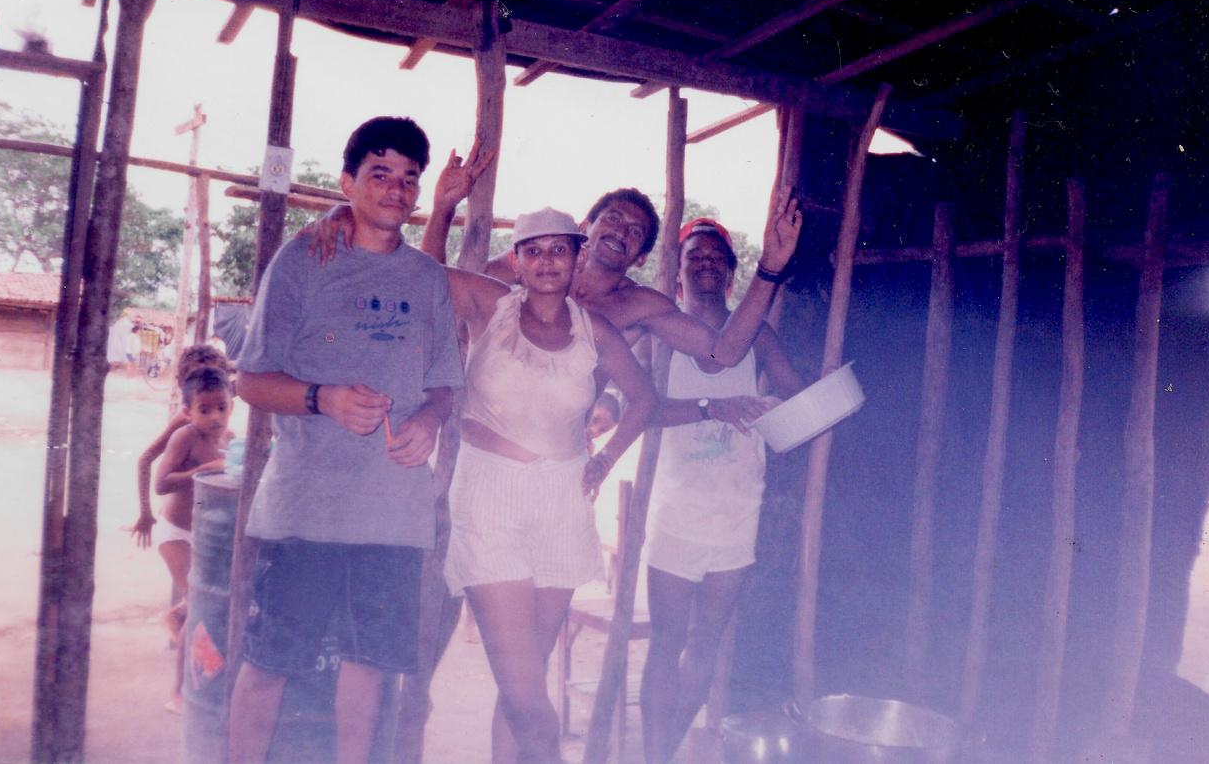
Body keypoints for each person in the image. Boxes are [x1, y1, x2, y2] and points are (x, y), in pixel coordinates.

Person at [226, 116, 465, 764]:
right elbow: (249, 380)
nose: (396, 189)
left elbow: (445, 384)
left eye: (408, 178)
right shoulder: (304, 258)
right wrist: (322, 398)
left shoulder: (427, 278)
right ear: (347, 183)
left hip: (394, 514)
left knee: (369, 668)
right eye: (379, 173)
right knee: (268, 664)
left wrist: (429, 420)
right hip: (306, 509)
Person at [440, 206, 657, 764]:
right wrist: (440, 209)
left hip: (562, 504)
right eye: (532, 250)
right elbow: (419, 272)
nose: (546, 261)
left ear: (577, 258)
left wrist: (604, 461)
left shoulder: (595, 331)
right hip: (489, 501)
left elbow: (644, 398)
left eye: (559, 249)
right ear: (515, 261)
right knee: (525, 693)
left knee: (526, 679)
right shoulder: (490, 304)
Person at [310, 168, 803, 367]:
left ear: (641, 257)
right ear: (586, 227)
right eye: (613, 218)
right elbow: (431, 290)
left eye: (636, 232)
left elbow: (722, 354)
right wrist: (440, 209)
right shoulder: (524, 268)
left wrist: (770, 267)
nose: (622, 230)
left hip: (564, 461)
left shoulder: (639, 306)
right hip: (481, 443)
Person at [639, 218, 804, 764]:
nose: (706, 262)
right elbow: (643, 410)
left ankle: (659, 754)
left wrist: (779, 406)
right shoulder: (661, 335)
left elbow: (799, 400)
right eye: (695, 256)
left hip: (737, 510)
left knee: (704, 646)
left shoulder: (757, 334)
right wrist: (715, 408)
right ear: (678, 274)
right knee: (666, 644)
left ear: (732, 275)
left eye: (716, 256)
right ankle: (653, 754)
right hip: (675, 510)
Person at [151, 365, 237, 714]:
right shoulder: (184, 437)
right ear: (188, 411)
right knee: (201, 605)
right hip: (174, 534)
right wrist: (199, 472)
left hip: (204, 534)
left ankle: (175, 616)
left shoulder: (230, 440)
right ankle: (178, 693)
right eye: (205, 409)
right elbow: (161, 483)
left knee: (208, 598)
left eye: (222, 407)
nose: (215, 417)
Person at [132, 344, 233, 549]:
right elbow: (146, 458)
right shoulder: (185, 422)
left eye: (213, 375)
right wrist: (145, 512)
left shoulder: (222, 411)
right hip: (178, 522)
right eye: (196, 377)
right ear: (181, 384)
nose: (206, 381)